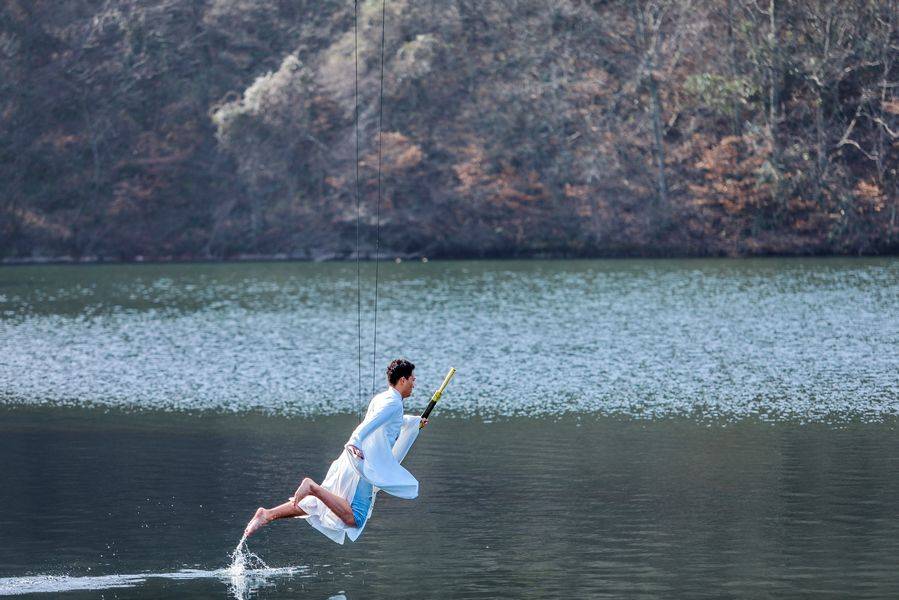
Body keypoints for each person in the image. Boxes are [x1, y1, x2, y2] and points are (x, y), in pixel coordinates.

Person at [243, 358, 427, 543]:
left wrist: (413, 422)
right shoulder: (393, 403)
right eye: (412, 378)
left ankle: (267, 514)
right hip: (364, 464)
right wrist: (355, 443)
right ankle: (312, 487)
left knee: (320, 505)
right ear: (402, 380)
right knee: (354, 519)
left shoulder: (384, 398)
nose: (414, 383)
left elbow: (389, 422)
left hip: (353, 458)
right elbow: (368, 425)